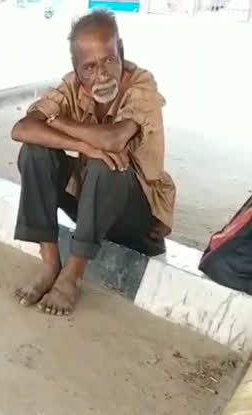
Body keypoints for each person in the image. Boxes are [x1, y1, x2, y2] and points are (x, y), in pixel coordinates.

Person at [10, 9, 175, 316]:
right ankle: (50, 264)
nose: (102, 75)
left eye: (109, 60)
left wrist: (58, 123)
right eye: (89, 68)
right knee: (34, 150)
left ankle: (71, 276)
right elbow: (21, 129)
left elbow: (114, 141)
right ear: (77, 69)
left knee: (108, 162)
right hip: (93, 203)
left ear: (121, 51)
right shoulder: (72, 86)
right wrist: (81, 144)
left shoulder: (142, 85)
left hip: (136, 218)